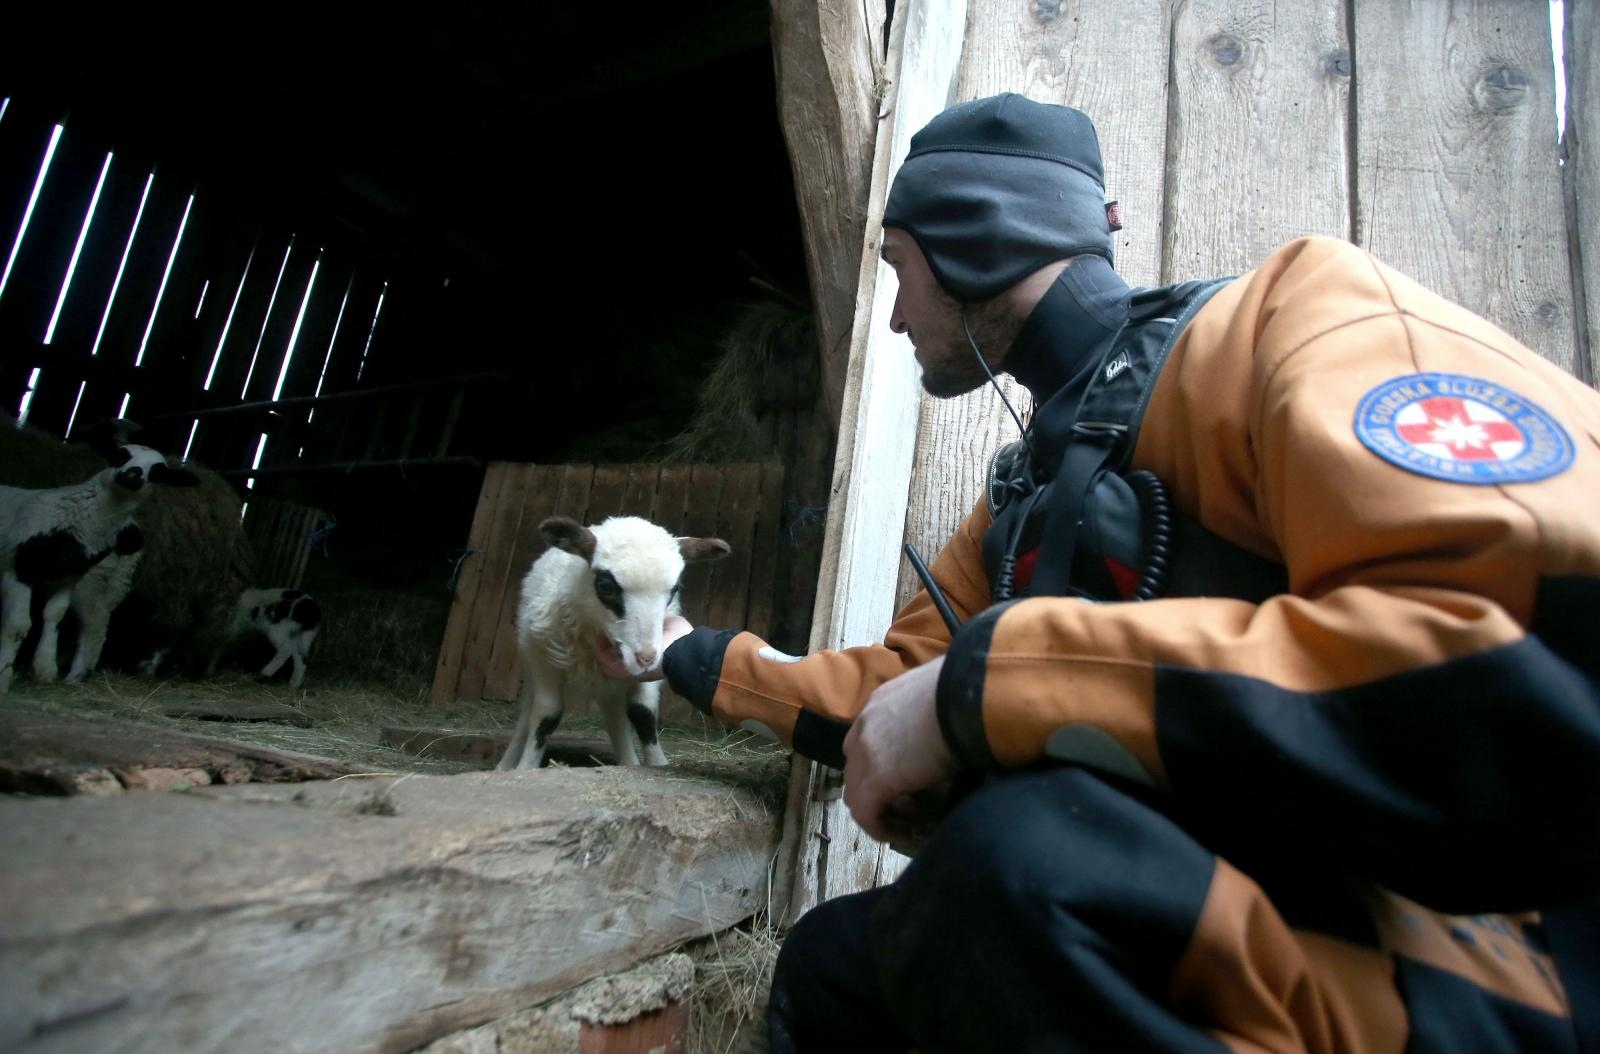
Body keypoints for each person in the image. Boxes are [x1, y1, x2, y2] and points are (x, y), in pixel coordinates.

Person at [627, 93, 1600, 1051]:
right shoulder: (1019, 496)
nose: (891, 320)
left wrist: (992, 684)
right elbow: (896, 693)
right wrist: (686, 653)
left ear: (974, 235)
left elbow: (1521, 669)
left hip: (1509, 952)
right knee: (833, 962)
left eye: (897, 269)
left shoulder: (1296, 317)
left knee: (1017, 870)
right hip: (1264, 915)